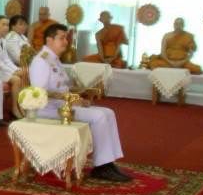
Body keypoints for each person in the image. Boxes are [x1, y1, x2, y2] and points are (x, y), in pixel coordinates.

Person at [31, 23, 130, 182]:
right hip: (49, 110)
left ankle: (108, 162)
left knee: (108, 112)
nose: (65, 42)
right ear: (49, 40)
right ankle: (102, 167)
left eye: (66, 38)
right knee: (99, 116)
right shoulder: (41, 61)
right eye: (61, 38)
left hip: (63, 105)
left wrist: (78, 99)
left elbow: (63, 87)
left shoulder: (54, 59)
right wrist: (70, 100)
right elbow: (38, 93)